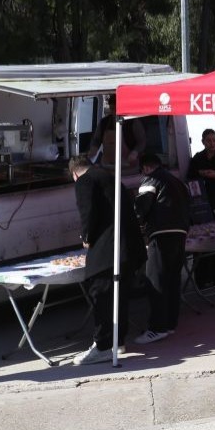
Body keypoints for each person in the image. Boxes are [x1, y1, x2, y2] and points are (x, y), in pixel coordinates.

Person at [68, 155, 147, 365]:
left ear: (74, 173)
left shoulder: (85, 181)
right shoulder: (112, 178)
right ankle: (118, 340)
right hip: (129, 247)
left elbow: (87, 212)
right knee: (119, 296)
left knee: (101, 295)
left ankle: (102, 345)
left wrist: (86, 237)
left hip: (109, 249)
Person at [133, 153, 191, 345]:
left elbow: (141, 207)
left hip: (161, 233)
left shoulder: (151, 179)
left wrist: (137, 224)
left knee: (156, 280)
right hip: (180, 233)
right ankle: (171, 323)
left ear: (145, 168)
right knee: (173, 279)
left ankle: (157, 327)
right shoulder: (177, 181)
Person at [88, 94, 146, 168]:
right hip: (108, 164)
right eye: (112, 109)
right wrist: (93, 149)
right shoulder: (104, 122)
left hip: (129, 164)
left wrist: (135, 152)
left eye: (116, 109)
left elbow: (141, 141)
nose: (114, 111)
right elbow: (96, 140)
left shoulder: (133, 121)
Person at [187, 128, 215, 212]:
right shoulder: (198, 157)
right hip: (204, 197)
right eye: (208, 141)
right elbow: (189, 175)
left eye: (214, 140)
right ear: (203, 142)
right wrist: (201, 173)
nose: (212, 143)